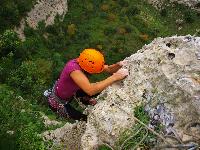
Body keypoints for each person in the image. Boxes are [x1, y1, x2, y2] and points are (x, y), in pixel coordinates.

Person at [44, 48, 128, 121]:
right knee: (83, 117)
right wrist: (115, 77)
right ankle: (84, 100)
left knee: (100, 88)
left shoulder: (86, 62)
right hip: (57, 102)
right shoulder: (74, 70)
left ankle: (84, 99)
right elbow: (90, 90)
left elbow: (109, 69)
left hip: (72, 91)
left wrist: (118, 65)